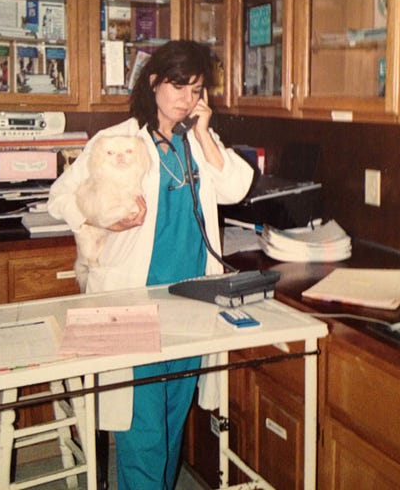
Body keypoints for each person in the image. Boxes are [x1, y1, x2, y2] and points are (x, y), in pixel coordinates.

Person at [47, 40, 254, 490]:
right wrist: (107, 218)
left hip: (192, 300)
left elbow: (236, 186)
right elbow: (59, 198)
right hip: (132, 300)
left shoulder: (196, 140)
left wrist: (202, 133)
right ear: (155, 83)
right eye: (179, 86)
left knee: (171, 419)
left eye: (197, 89)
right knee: (143, 431)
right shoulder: (117, 140)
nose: (188, 99)